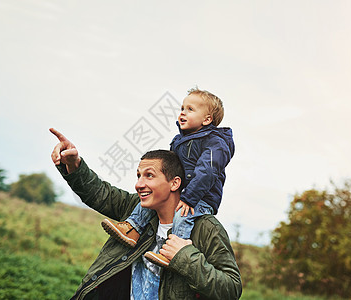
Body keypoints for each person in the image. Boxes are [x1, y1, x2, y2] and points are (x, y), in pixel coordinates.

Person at [50, 128, 242, 300]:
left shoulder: (207, 228)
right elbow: (100, 193)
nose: (139, 184)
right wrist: (74, 164)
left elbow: (231, 289)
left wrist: (185, 257)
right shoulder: (137, 210)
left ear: (175, 183)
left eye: (149, 175)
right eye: (138, 175)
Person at [101, 87, 235, 267]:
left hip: (201, 198)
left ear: (207, 119)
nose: (182, 113)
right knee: (152, 200)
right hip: (184, 193)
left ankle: (174, 250)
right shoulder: (179, 140)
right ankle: (132, 228)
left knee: (182, 215)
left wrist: (189, 198)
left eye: (190, 109)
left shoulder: (216, 142)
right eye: (182, 108)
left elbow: (207, 172)